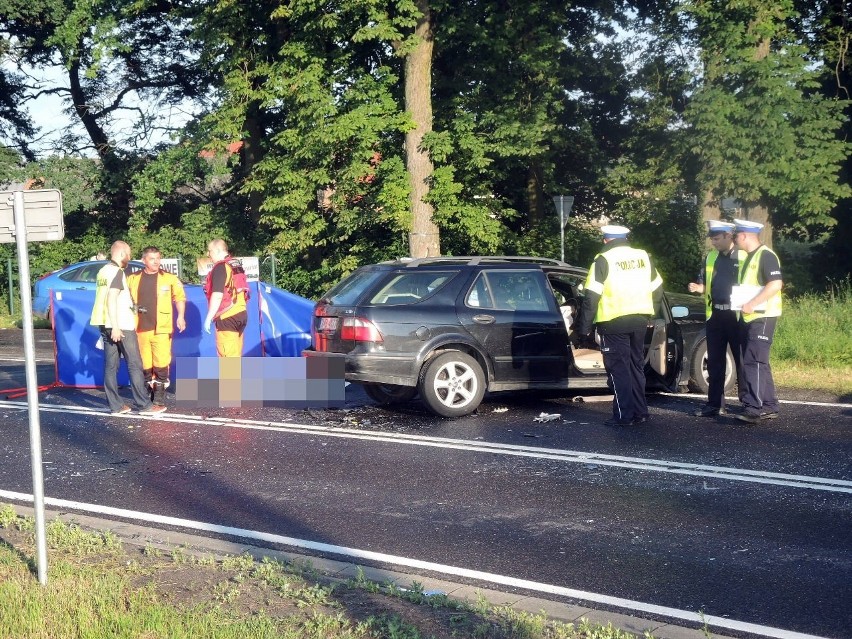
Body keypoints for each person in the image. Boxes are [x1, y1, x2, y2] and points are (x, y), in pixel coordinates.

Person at [575, 225, 664, 426]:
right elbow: (657, 289)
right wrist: (652, 313)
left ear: (606, 240)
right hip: (640, 319)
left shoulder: (602, 259)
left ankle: (624, 416)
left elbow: (591, 297)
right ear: (625, 238)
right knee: (635, 367)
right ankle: (641, 413)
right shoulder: (643, 256)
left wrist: (584, 329)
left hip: (613, 322)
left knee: (619, 370)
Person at [89, 241, 166, 416]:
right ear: (122, 253)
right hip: (120, 325)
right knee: (135, 364)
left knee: (111, 366)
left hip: (103, 323)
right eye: (129, 254)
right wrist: (116, 326)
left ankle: (115, 406)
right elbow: (112, 298)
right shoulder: (117, 272)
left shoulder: (103, 271)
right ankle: (144, 405)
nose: (130, 258)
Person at [687, 220, 744, 417]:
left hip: (737, 315)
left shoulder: (744, 256)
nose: (714, 243)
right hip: (716, 315)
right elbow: (707, 286)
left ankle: (748, 404)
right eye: (712, 239)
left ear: (729, 236)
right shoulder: (710, 257)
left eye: (717, 239)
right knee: (715, 362)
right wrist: (698, 288)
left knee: (742, 360)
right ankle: (714, 404)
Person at [731, 218, 783, 424]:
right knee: (760, 362)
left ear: (744, 236)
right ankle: (769, 405)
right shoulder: (750, 257)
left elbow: (776, 284)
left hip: (763, 315)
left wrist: (753, 303)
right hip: (752, 316)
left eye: (736, 236)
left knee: (754, 361)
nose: (734, 239)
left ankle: (754, 408)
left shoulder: (765, 256)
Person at [127, 246, 187, 408]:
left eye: (158, 258)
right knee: (144, 363)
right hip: (139, 328)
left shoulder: (169, 278)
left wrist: (181, 316)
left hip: (161, 328)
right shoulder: (132, 279)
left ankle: (159, 394)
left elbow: (180, 298)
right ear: (143, 260)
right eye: (152, 259)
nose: (156, 262)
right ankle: (146, 391)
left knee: (161, 362)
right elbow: (125, 301)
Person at [203, 239, 248, 357]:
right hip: (241, 314)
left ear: (217, 251)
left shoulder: (220, 267)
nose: (208, 254)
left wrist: (209, 317)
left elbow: (217, 295)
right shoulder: (235, 264)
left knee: (227, 359)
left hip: (227, 316)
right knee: (235, 356)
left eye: (210, 251)